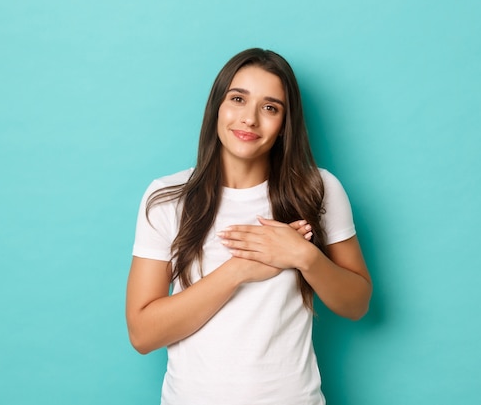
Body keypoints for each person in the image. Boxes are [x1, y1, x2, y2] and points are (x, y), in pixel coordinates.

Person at [126, 48, 372, 405]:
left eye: (270, 107)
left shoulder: (318, 190)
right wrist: (238, 271)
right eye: (238, 99)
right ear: (217, 107)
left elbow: (357, 304)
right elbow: (142, 333)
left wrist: (305, 257)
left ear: (286, 124)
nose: (250, 119)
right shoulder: (167, 197)